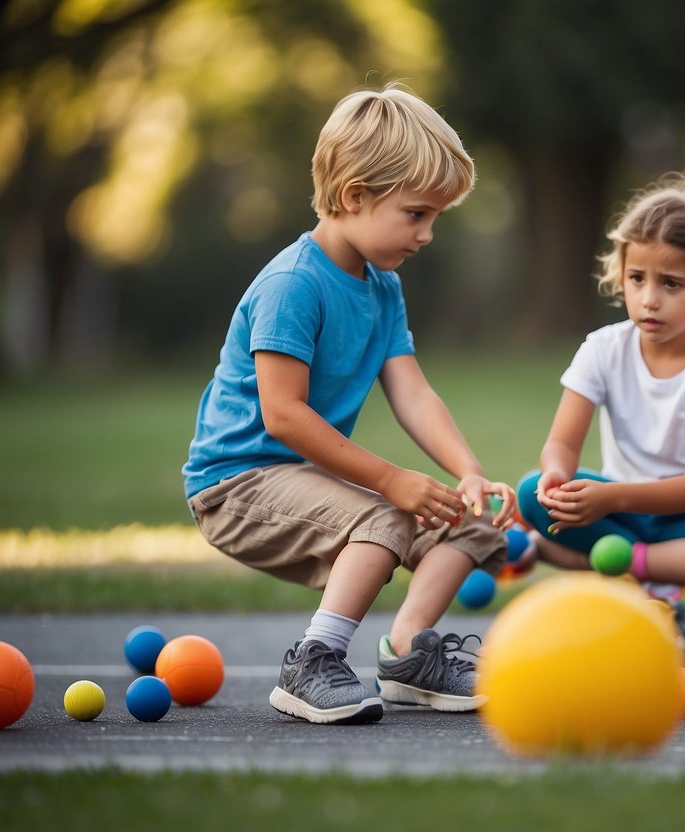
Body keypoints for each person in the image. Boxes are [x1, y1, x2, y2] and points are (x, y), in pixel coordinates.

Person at [182, 84, 515, 726]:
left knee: (468, 525)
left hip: (305, 477)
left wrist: (467, 472)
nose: (426, 235)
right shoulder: (292, 284)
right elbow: (283, 415)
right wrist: (392, 481)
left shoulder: (382, 287)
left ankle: (408, 655)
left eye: (435, 219)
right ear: (353, 195)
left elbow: (413, 392)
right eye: (416, 214)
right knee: (387, 517)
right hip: (236, 484)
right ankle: (314, 660)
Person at [516, 174, 685, 666]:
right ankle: (655, 587)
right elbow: (561, 443)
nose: (649, 299)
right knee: (530, 492)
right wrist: (558, 477)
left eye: (671, 284)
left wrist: (611, 499)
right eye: (637, 278)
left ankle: (628, 571)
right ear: (620, 275)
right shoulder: (602, 348)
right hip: (623, 511)